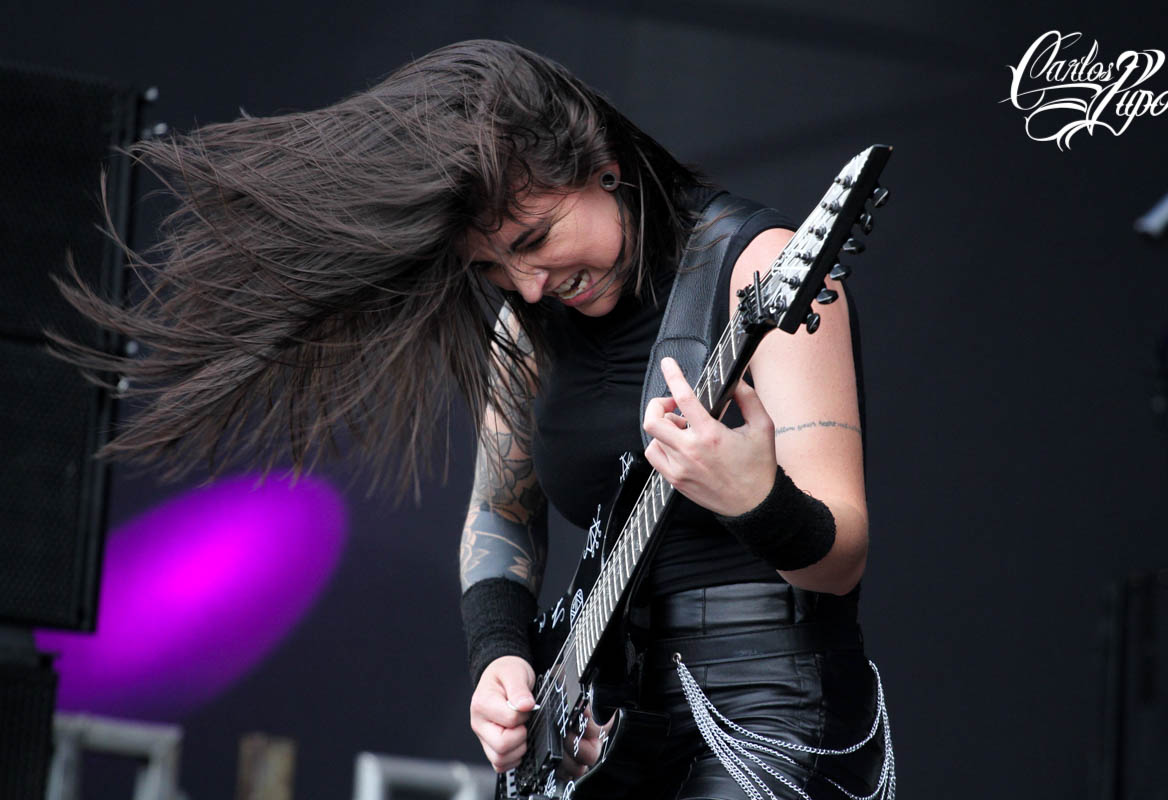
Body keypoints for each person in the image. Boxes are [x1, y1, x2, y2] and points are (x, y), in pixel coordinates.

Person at [51, 39, 892, 800]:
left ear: (603, 166)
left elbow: (842, 556)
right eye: (492, 268)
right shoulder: (526, 329)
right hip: (611, 733)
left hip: (773, 715)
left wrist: (756, 499)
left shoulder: (762, 269)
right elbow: (500, 511)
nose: (528, 284)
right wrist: (500, 655)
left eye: (536, 237)